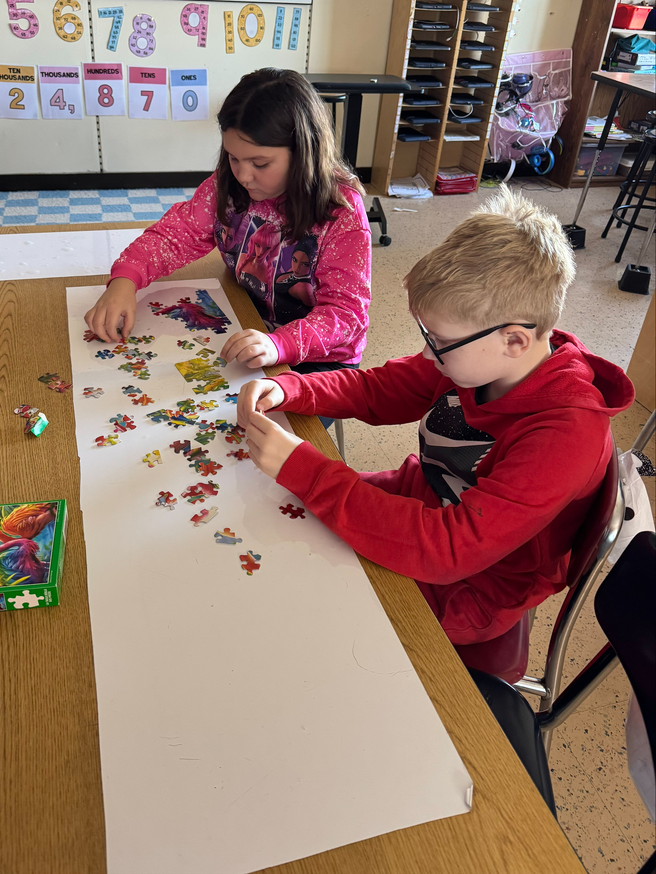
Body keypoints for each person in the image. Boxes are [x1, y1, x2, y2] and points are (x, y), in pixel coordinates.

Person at [237, 188, 635, 647]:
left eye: (439, 340)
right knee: (277, 530)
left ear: (514, 341)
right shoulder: (477, 357)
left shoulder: (566, 434)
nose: (428, 352)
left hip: (473, 586)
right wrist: (291, 386)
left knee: (299, 620)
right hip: (420, 503)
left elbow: (447, 549)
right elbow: (378, 390)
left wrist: (305, 469)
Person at [84, 68, 371, 379]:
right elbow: (174, 237)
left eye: (260, 163)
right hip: (244, 320)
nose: (243, 176)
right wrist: (125, 280)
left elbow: (345, 314)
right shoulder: (228, 186)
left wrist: (279, 345)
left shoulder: (342, 213)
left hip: (319, 361)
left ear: (304, 152)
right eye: (233, 158)